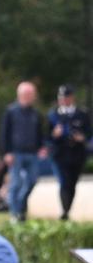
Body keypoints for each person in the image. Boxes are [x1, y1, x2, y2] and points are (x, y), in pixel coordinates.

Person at [0, 81, 47, 221]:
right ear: (20, 95)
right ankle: (15, 214)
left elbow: (39, 133)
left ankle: (20, 208)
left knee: (31, 181)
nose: (30, 97)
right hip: (16, 153)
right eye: (28, 94)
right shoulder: (11, 112)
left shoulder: (35, 114)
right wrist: (6, 152)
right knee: (16, 183)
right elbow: (4, 133)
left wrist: (41, 147)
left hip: (32, 153)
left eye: (32, 94)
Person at [48, 85, 91, 220]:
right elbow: (46, 136)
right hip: (60, 154)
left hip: (77, 154)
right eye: (61, 98)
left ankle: (67, 209)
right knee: (64, 182)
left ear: (72, 98)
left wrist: (82, 137)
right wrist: (55, 134)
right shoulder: (53, 114)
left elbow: (89, 133)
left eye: (66, 97)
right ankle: (65, 211)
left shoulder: (82, 114)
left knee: (72, 183)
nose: (63, 100)